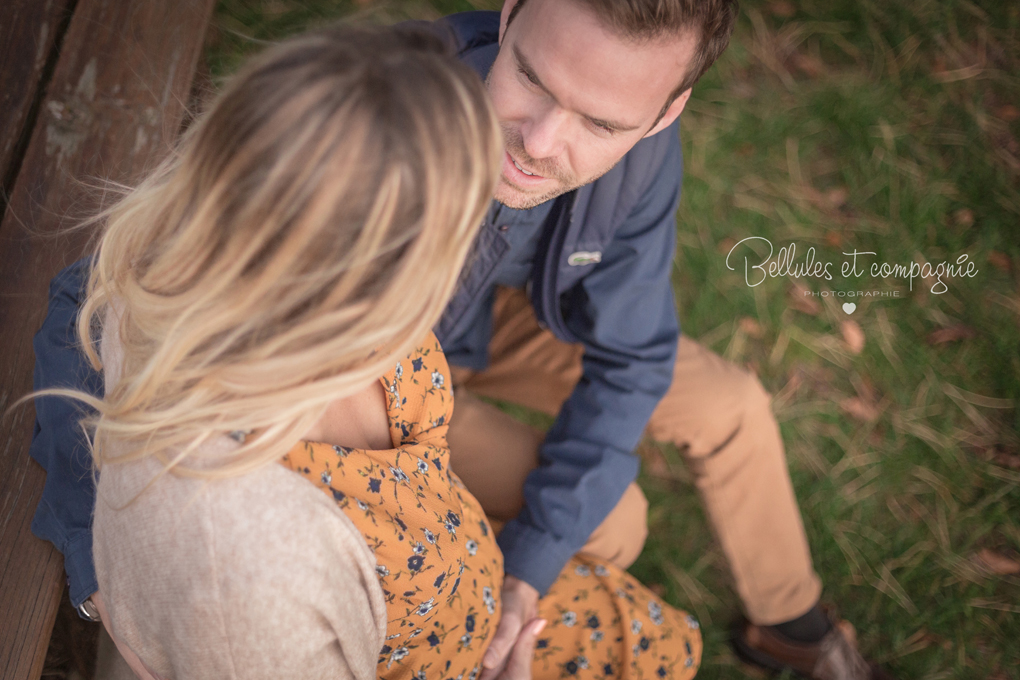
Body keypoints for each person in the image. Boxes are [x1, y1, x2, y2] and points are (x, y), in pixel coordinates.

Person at [30, 1, 890, 679]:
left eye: (601, 123)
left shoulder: (642, 154)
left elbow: (633, 357)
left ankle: (791, 625)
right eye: (532, 80)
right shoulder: (383, 106)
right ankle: (443, 587)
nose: (543, 143)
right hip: (368, 365)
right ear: (510, 13)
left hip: (503, 327)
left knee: (732, 402)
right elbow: (100, 291)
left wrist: (527, 569)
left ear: (666, 113)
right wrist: (93, 552)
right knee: (616, 525)